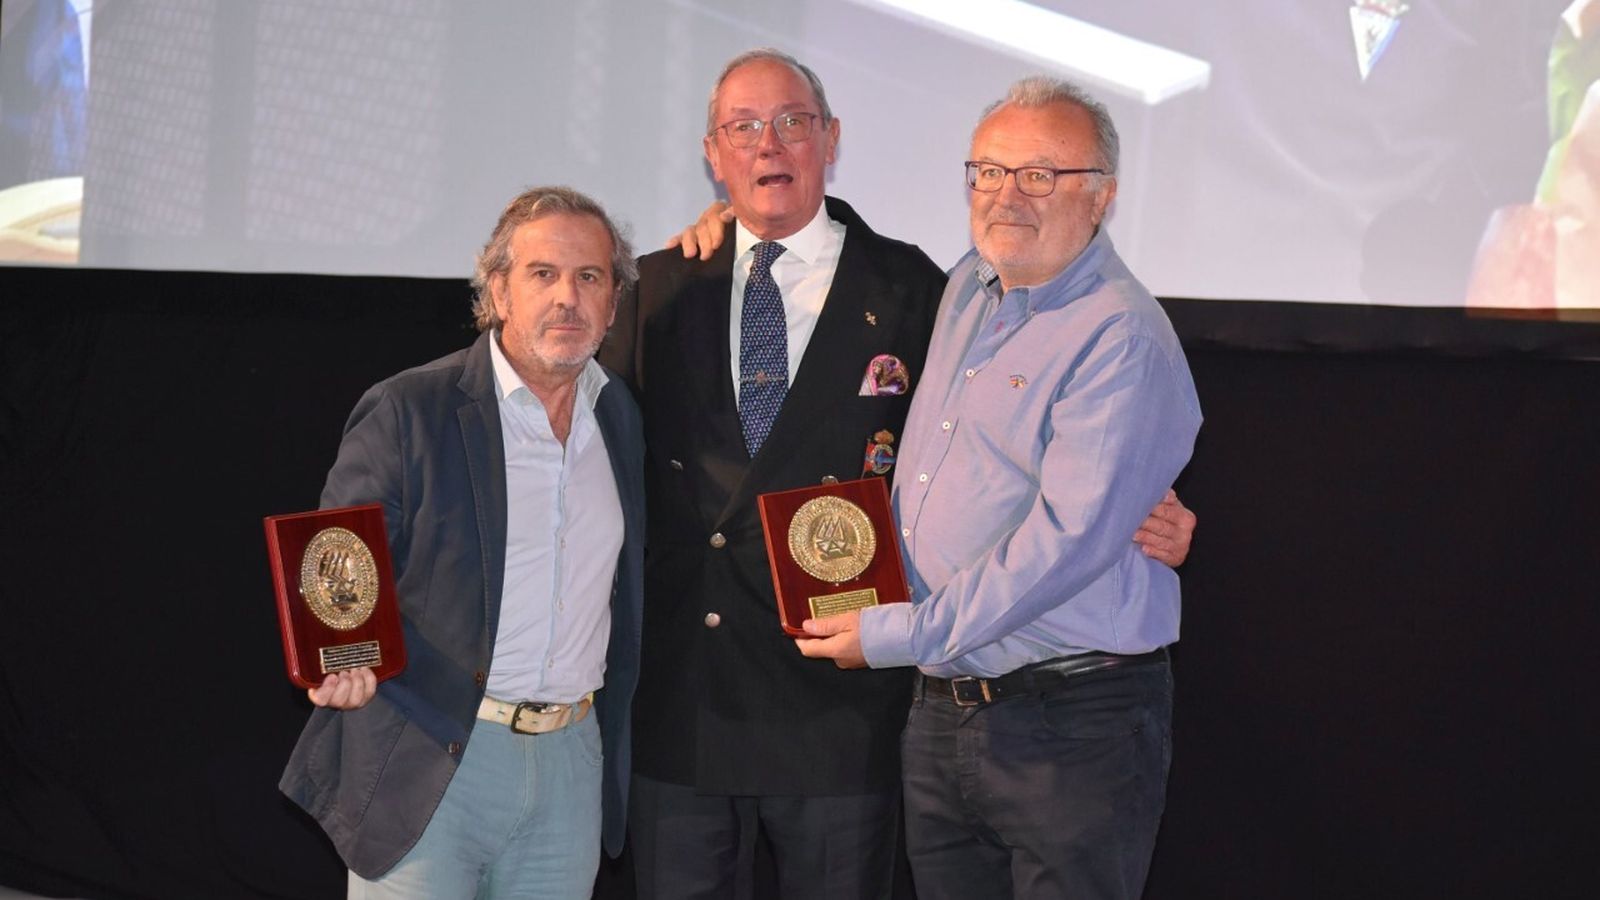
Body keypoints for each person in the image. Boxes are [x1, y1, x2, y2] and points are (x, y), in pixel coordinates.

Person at [601, 50, 1195, 900]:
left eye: (794, 123)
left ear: (831, 139)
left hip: (865, 706)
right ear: (713, 151)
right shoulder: (658, 292)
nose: (770, 144)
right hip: (701, 702)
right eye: (744, 128)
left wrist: (1147, 512)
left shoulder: (919, 288)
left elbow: (1073, 499)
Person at [798, 77, 1203, 900]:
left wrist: (899, 632)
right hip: (946, 709)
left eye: (1040, 174)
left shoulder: (1120, 337)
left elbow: (1061, 546)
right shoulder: (966, 290)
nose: (1006, 195)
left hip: (1070, 722)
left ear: (1103, 197)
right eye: (987, 171)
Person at [280, 186, 645, 900]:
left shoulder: (620, 415)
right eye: (543, 274)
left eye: (590, 277)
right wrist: (336, 658)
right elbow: (337, 565)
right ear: (499, 291)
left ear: (613, 300)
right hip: (432, 753)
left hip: (571, 768)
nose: (567, 297)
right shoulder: (410, 408)